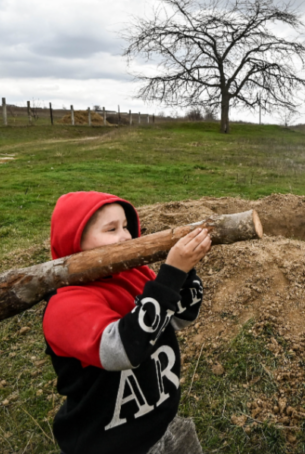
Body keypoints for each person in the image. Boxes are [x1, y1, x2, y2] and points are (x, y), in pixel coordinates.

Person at [42, 191, 210, 454]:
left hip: (162, 422)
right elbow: (124, 350)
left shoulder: (136, 274)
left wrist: (184, 275)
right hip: (110, 443)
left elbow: (178, 319)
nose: (125, 237)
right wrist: (170, 276)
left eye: (126, 226)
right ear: (74, 241)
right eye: (111, 229)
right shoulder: (64, 305)